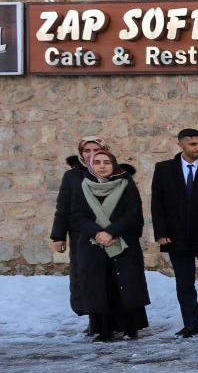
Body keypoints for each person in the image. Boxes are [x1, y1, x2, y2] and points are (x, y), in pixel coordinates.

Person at [151, 128, 198, 337]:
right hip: (177, 237)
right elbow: (157, 204)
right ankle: (191, 324)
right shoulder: (164, 169)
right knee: (184, 283)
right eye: (193, 144)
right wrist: (161, 232)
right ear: (181, 146)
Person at [69, 148, 150, 341]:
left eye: (106, 162)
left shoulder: (126, 184)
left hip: (122, 241)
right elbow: (77, 215)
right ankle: (104, 330)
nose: (102, 166)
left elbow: (133, 212)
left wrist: (112, 232)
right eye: (97, 163)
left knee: (126, 285)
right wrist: (98, 233)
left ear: (113, 165)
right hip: (93, 243)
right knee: (99, 285)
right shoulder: (83, 186)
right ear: (90, 165)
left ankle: (131, 327)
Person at [51, 135, 107, 335]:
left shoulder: (111, 171)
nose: (91, 155)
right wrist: (58, 236)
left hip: (109, 234)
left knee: (111, 278)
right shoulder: (72, 177)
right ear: (81, 153)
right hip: (81, 236)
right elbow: (63, 206)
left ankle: (112, 321)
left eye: (96, 150)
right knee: (86, 278)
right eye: (87, 151)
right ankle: (94, 320)